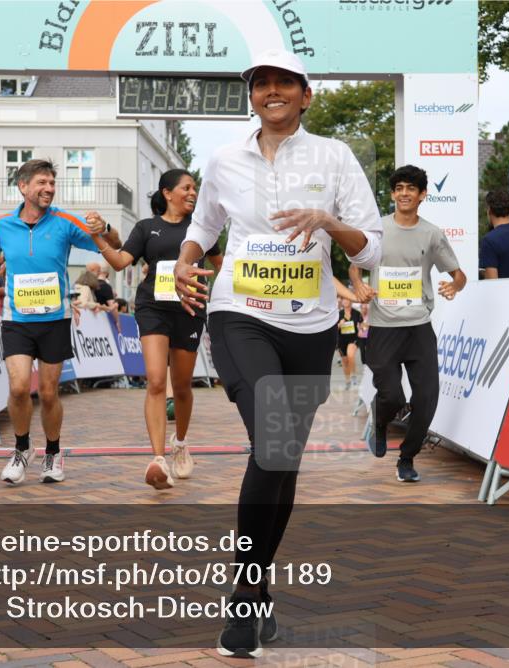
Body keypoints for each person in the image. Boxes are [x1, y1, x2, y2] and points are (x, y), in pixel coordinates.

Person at [173, 49, 382, 657]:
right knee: (272, 439)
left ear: (305, 95)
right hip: (241, 315)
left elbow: (368, 248)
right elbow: (205, 226)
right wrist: (187, 263)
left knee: (283, 455)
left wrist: (327, 221)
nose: (271, 91)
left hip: (312, 325)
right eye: (261, 83)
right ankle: (244, 594)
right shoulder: (224, 159)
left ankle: (258, 581)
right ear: (252, 96)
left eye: (283, 83)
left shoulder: (334, 157)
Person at [0, 158, 121, 485]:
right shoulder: (2, 226)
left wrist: (104, 227)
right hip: (17, 318)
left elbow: (113, 246)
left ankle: (52, 451)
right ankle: (21, 450)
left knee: (48, 393)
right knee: (18, 387)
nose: (48, 188)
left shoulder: (63, 221)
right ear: (23, 187)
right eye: (41, 183)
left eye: (51, 183)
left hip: (54, 320)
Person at [104, 169, 223, 490]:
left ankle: (180, 443)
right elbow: (119, 262)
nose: (192, 193)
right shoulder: (146, 228)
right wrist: (96, 237)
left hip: (190, 310)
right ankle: (157, 458)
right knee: (156, 381)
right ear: (167, 193)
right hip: (153, 308)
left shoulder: (203, 229)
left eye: (195, 188)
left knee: (182, 387)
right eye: (186, 187)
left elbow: (221, 266)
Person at [350, 164, 466, 483]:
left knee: (427, 396)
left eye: (411, 188)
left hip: (418, 327)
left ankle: (407, 458)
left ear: (422, 195)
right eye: (399, 188)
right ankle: (381, 418)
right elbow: (355, 267)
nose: (404, 193)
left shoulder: (432, 234)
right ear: (392, 194)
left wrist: (454, 286)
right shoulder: (376, 230)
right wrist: (358, 286)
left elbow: (458, 275)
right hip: (384, 328)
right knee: (393, 397)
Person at [335, 296, 362, 390]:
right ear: (342, 301)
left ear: (351, 301)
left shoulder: (357, 313)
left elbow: (362, 325)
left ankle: (354, 376)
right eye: (344, 299)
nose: (346, 301)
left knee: (351, 356)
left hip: (353, 338)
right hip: (341, 340)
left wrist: (361, 329)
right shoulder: (338, 314)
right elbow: (333, 328)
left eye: (348, 299)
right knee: (345, 362)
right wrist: (339, 325)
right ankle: (347, 381)